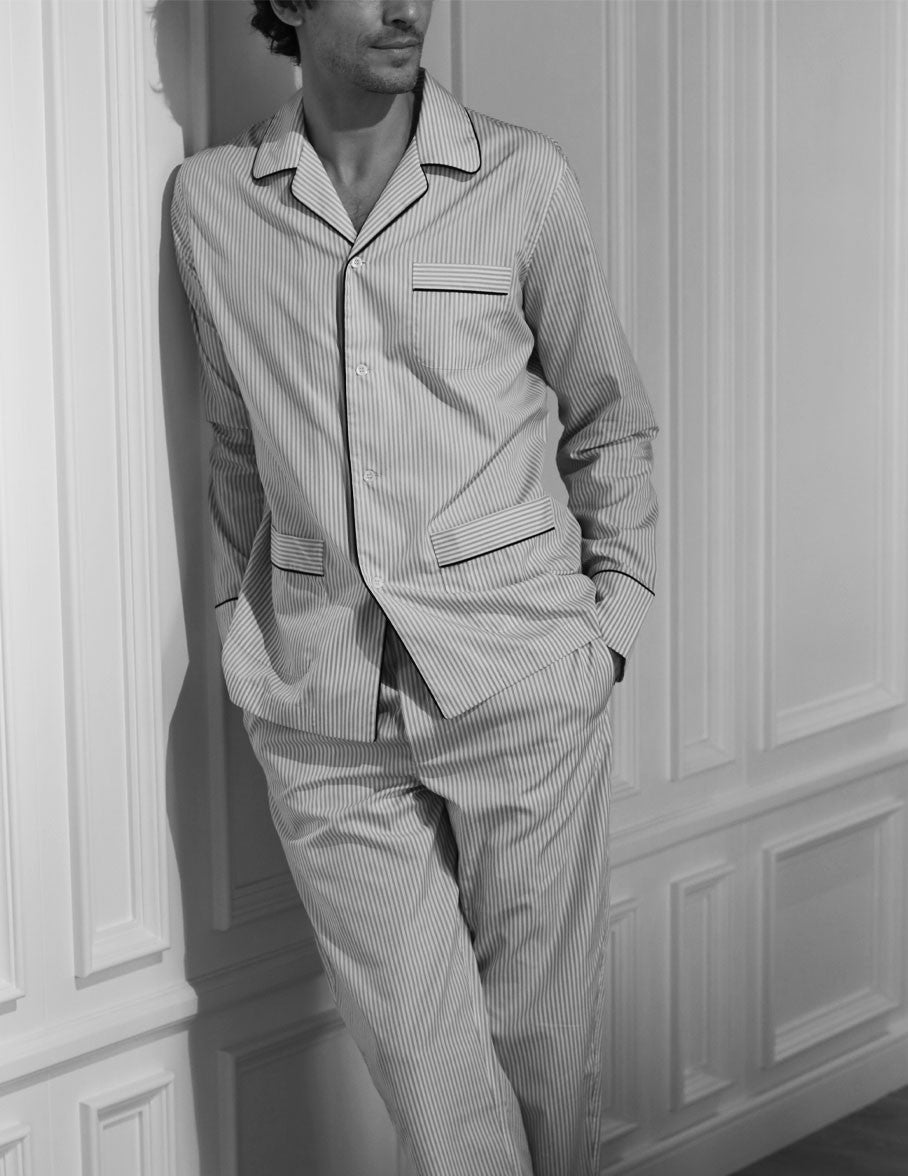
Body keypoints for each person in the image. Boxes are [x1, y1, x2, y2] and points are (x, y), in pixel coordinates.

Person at [171, 1, 658, 1172]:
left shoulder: (520, 180)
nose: (405, 6)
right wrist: (243, 626)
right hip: (324, 716)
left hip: (522, 685)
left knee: (544, 1077)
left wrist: (610, 629)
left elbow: (607, 417)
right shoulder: (213, 204)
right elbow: (231, 442)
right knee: (444, 1109)